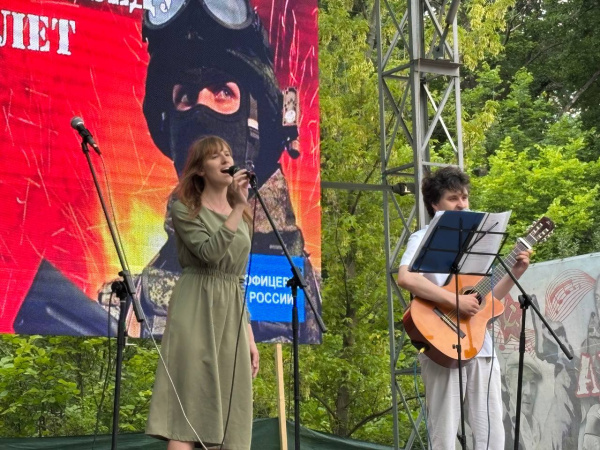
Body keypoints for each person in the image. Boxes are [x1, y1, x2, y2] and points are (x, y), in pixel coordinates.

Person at [397, 166, 532, 449]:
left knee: (492, 433)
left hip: (479, 344)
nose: (462, 204)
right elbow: (406, 278)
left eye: (465, 197)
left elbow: (486, 300)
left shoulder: (479, 243)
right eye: (453, 198)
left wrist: (515, 272)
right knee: (444, 433)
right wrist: (454, 301)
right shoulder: (422, 237)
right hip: (439, 339)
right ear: (435, 205)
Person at [146, 136, 260, 450]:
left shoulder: (242, 215)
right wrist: (239, 207)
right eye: (215, 156)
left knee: (229, 414)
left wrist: (249, 336)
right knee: (189, 412)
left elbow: (237, 279)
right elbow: (210, 253)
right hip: (196, 306)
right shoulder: (184, 208)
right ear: (199, 169)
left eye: (228, 154)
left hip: (231, 314)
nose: (226, 160)